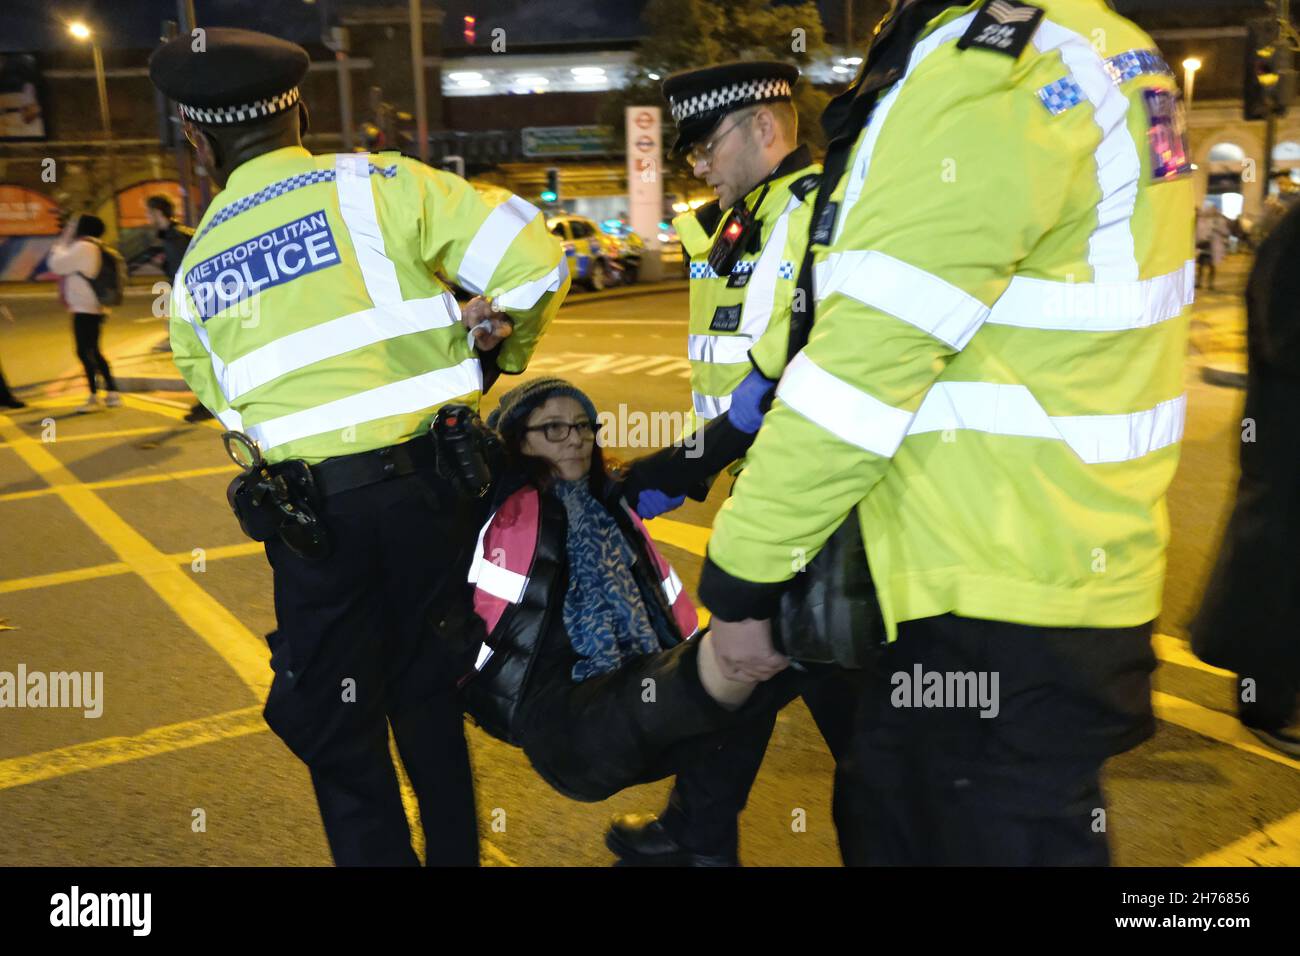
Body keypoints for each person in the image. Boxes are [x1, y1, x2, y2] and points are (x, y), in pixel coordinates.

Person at [695, 0, 1195, 865]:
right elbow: (845, 304)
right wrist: (690, 456)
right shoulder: (1096, 45)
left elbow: (870, 352)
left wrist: (744, 576)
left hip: (984, 592)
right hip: (1043, 573)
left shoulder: (990, 69)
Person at [148, 28, 569, 866]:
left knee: (339, 725)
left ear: (198, 138)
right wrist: (488, 357)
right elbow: (537, 263)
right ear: (298, 111)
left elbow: (234, 409)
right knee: (426, 691)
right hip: (433, 493)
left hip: (316, 521)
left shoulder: (196, 270)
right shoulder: (384, 184)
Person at [606, 62, 858, 867]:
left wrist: (684, 465)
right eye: (688, 155)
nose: (699, 166)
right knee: (742, 671)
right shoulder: (734, 225)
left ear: (763, 127)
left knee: (844, 715)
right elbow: (728, 376)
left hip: (827, 504)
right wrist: (691, 462)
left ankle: (704, 836)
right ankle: (700, 833)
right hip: (774, 497)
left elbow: (788, 372)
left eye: (707, 146)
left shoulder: (819, 214)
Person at [454, 378, 797, 803]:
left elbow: (681, 465)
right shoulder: (501, 503)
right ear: (519, 444)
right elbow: (461, 490)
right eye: (554, 429)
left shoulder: (612, 494)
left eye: (583, 426)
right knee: (725, 666)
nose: (576, 439)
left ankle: (699, 837)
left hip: (637, 690)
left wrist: (744, 419)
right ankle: (719, 663)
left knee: (772, 667)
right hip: (555, 716)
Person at [1192, 197, 1300, 757]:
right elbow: (1282, 336)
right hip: (1284, 436)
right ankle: (1263, 702)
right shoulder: (1293, 232)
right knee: (1271, 564)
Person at [47, 213, 120, 414]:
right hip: (91, 306)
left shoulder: (84, 247)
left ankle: (95, 395)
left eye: (74, 225)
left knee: (84, 351)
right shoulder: (91, 246)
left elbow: (55, 264)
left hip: (84, 307)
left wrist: (62, 240)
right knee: (93, 350)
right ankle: (111, 393)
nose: (70, 228)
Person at [144, 194, 208, 419]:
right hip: (184, 302)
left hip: (191, 303)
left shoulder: (177, 238)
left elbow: (188, 272)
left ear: (158, 213)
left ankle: (208, 403)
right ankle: (206, 402)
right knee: (193, 353)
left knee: (196, 354)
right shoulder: (169, 238)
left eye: (148, 212)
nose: (146, 217)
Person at [1195, 200, 1229, 291]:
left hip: (1213, 246)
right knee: (1201, 265)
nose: (1211, 211)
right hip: (1204, 245)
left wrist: (1217, 229)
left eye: (1213, 209)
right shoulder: (1203, 220)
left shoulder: (1220, 220)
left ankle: (1210, 284)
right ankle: (1199, 282)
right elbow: (1198, 232)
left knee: (1211, 266)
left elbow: (1226, 232)